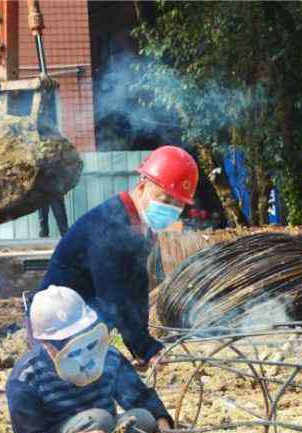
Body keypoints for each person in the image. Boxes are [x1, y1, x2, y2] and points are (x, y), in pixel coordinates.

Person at [7, 285, 180, 433]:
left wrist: (163, 423)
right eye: (66, 341)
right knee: (99, 419)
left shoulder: (107, 357)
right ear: (46, 343)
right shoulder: (27, 376)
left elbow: (138, 396)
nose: (77, 346)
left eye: (81, 335)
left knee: (142, 419)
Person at [37, 146, 198, 369]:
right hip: (57, 329)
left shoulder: (142, 227)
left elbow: (137, 288)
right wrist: (145, 347)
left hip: (89, 320)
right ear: (142, 187)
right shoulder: (110, 225)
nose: (171, 208)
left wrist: (142, 345)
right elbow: (115, 296)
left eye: (178, 204)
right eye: (166, 199)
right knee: (120, 382)